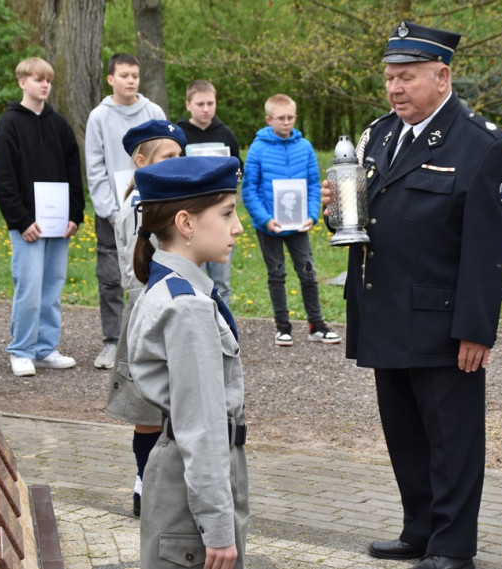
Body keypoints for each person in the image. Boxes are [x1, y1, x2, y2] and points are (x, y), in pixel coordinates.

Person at [323, 21, 502, 569]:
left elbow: (490, 250)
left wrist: (477, 329)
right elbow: (359, 224)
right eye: (389, 77)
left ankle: (454, 546)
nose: (395, 88)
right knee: (404, 429)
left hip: (442, 319)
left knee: (451, 437)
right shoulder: (380, 136)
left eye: (406, 77)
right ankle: (421, 526)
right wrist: (338, 209)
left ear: (442, 75)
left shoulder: (481, 146)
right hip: (385, 310)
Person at [127, 156, 247, 569]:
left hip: (182, 475)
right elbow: (201, 425)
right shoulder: (188, 308)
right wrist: (218, 528)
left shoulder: (170, 289)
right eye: (227, 212)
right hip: (193, 483)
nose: (237, 227)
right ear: (185, 222)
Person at [106, 120, 185, 518]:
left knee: (167, 406)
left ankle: (158, 483)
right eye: (168, 156)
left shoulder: (158, 198)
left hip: (165, 308)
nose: (177, 162)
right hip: (148, 312)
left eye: (180, 156)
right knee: (147, 410)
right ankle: (144, 484)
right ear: (141, 161)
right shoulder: (140, 205)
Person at [0, 57, 84, 377]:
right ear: (22, 82)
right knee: (29, 288)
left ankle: (45, 349)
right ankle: (21, 350)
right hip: (27, 226)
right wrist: (20, 220)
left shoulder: (60, 125)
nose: (44, 85)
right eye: (37, 79)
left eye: (48, 80)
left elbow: (74, 172)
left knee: (52, 288)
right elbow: (3, 179)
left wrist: (75, 215)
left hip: (59, 226)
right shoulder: (9, 125)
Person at [85, 53, 167, 370]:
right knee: (110, 276)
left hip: (151, 207)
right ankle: (111, 342)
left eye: (135, 74)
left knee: (151, 269)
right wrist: (110, 210)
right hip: (111, 212)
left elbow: (166, 157)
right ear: (111, 79)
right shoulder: (98, 117)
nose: (131, 80)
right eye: (124, 75)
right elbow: (95, 168)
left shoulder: (154, 112)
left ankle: (149, 339)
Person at [242, 93, 340, 346]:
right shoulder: (257, 148)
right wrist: (265, 220)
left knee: (308, 273)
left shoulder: (305, 147)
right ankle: (282, 326)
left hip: (299, 225)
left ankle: (316, 324)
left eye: (290, 118)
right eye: (281, 118)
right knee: (277, 274)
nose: (286, 123)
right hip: (269, 225)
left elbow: (313, 185)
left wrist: (310, 215)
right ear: (269, 119)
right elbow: (249, 189)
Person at [178, 79, 243, 306]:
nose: (206, 109)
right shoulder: (179, 134)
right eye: (200, 104)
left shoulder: (225, 134)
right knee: (193, 277)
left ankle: (222, 329)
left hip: (221, 217)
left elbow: (238, 171)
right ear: (188, 105)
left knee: (221, 282)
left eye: (210, 103)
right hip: (191, 217)